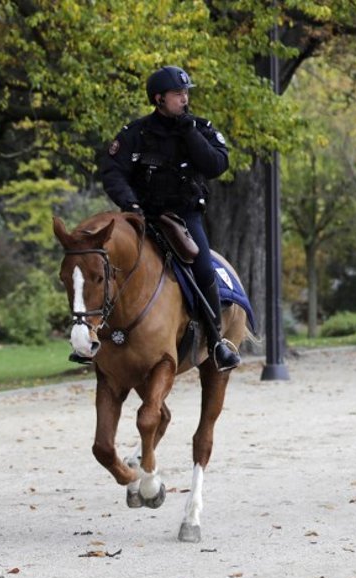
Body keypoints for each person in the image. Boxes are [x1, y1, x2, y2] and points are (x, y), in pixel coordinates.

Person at [100, 65, 240, 371]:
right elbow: (112, 172)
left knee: (202, 267)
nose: (185, 99)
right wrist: (130, 204)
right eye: (178, 94)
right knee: (100, 263)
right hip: (140, 216)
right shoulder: (134, 134)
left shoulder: (200, 128)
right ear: (159, 98)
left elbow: (217, 164)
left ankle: (216, 341)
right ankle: (92, 338)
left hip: (183, 218)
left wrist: (189, 132)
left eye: (186, 93)